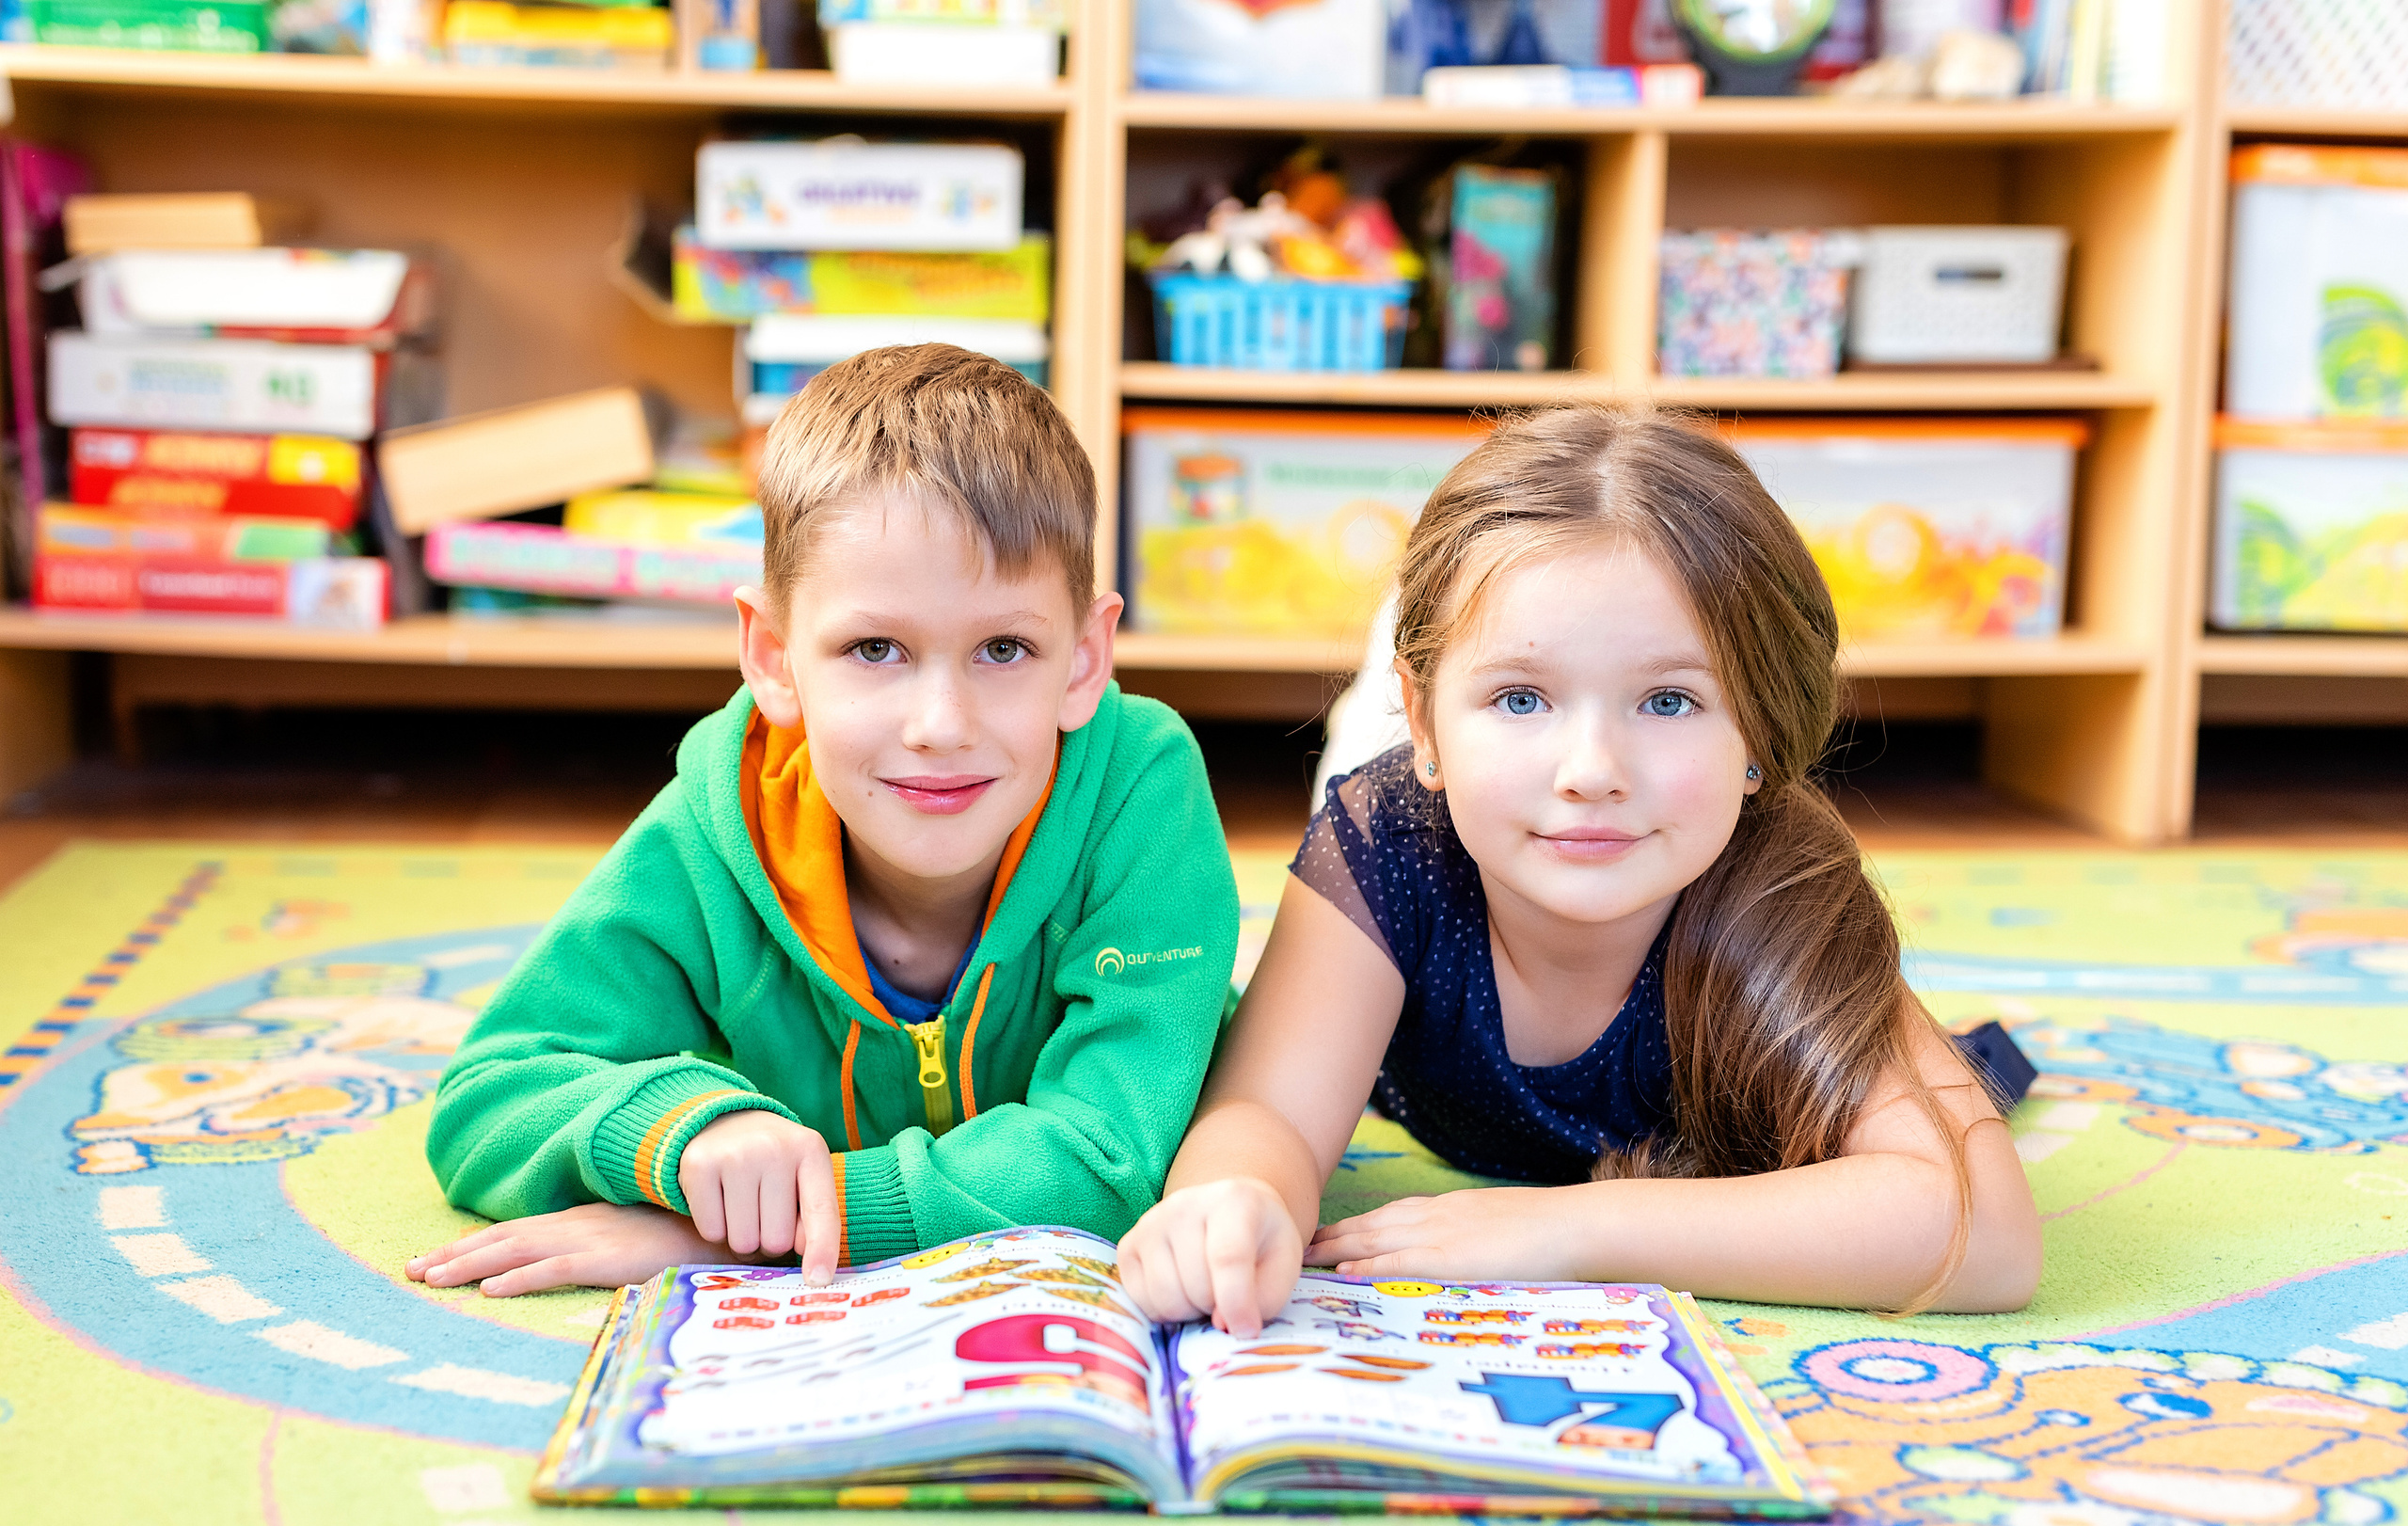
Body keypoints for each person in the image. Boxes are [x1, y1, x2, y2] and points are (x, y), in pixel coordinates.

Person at [1117, 402, 2042, 1337]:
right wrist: (1233, 1200)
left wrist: (1565, 1229)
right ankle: (1418, 685)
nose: (1592, 771)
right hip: (1439, 800)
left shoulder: (1779, 885)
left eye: (1668, 701)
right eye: (1523, 697)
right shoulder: (1388, 841)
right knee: (1390, 769)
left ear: (1759, 730)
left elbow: (1989, 1233)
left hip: (1634, 881)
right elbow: (1268, 1109)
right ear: (1424, 721)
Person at [408, 344, 1239, 1296]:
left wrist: (776, 1225)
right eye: (875, 648)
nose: (940, 726)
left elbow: (1109, 1159)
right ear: (772, 656)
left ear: (1085, 660)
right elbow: (489, 1093)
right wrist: (686, 1134)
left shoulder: (1139, 790)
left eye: (1005, 648)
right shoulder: (727, 823)